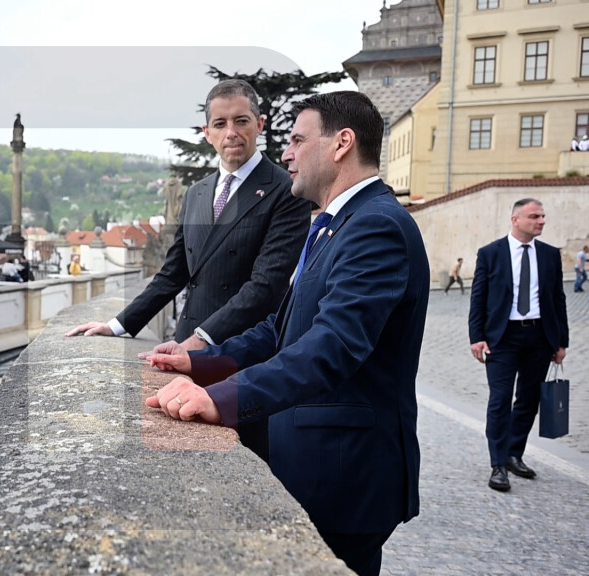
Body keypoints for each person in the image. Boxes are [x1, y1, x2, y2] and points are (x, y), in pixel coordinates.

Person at [144, 92, 428, 576]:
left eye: (297, 139)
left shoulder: (376, 226)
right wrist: (198, 363)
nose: (287, 154)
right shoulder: (333, 226)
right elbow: (283, 328)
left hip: (346, 474)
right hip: (317, 464)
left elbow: (332, 346)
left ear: (341, 144)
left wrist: (224, 400)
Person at [65, 79, 311, 462]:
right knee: (184, 452)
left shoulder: (284, 190)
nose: (231, 133)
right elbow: (173, 272)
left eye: (242, 121)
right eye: (220, 123)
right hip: (186, 349)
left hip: (242, 354)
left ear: (259, 125)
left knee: (242, 459)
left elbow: (265, 286)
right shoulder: (197, 193)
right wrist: (116, 326)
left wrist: (200, 339)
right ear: (207, 132)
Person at [469, 198, 568, 492]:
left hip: (539, 337)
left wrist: (561, 341)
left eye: (542, 216)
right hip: (503, 337)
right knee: (499, 400)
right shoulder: (491, 254)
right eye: (534, 216)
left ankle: (514, 454)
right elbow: (479, 297)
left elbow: (558, 299)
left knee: (528, 399)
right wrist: (476, 336)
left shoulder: (550, 255)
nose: (541, 221)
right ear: (515, 219)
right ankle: (498, 464)